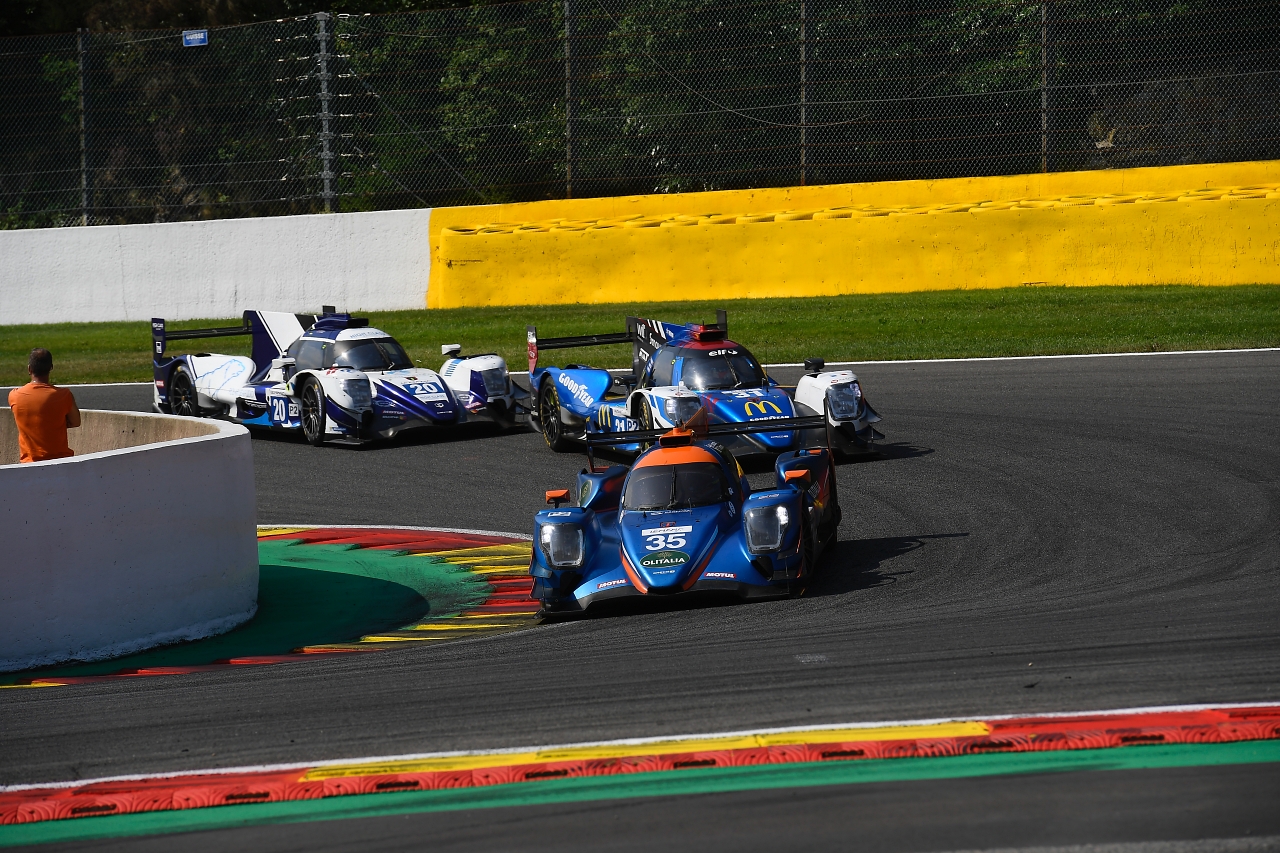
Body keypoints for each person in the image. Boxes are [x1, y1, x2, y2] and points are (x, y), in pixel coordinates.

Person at [7, 348, 81, 463]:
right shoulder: (64, 395)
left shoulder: (14, 396)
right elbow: (76, 422)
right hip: (61, 462)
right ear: (51, 368)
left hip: (30, 464)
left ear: (29, 369)